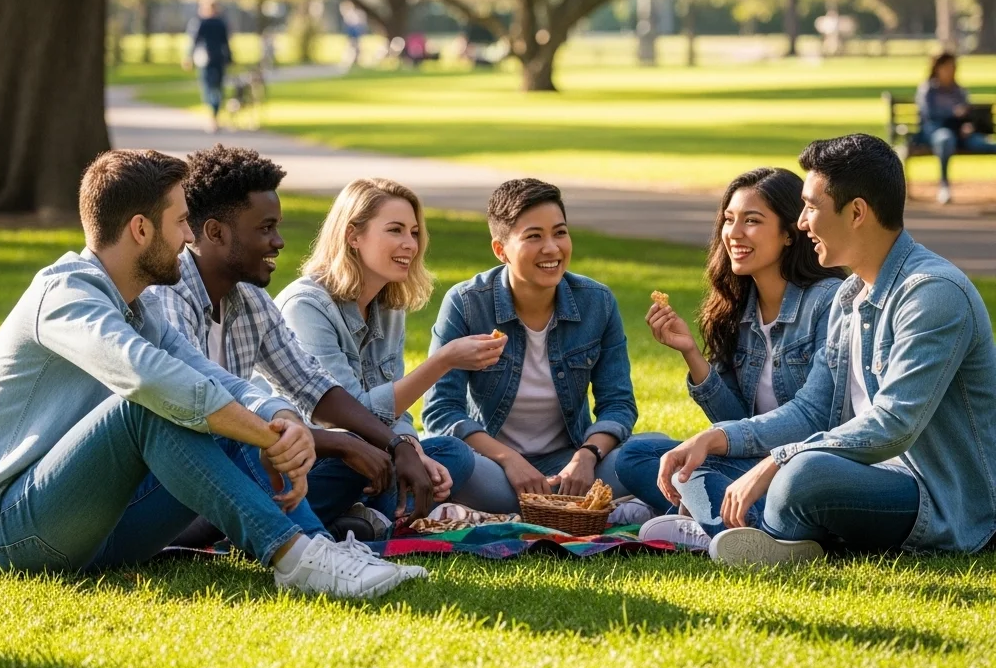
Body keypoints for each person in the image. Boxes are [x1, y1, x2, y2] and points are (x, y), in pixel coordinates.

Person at [0, 149, 425, 598]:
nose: (189, 236)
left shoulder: (141, 308)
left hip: (98, 531)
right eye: (181, 222)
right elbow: (148, 379)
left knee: (217, 408)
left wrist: (279, 418)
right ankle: (294, 557)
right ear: (141, 229)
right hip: (7, 535)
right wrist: (266, 437)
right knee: (150, 408)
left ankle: (319, 550)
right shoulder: (65, 295)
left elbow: (212, 379)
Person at [630, 134, 996, 566]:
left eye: (811, 207)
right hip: (858, 473)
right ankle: (765, 531)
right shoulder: (851, 297)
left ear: (856, 212)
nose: (802, 223)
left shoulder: (932, 294)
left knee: (802, 476)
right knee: (650, 455)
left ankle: (742, 527)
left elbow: (894, 424)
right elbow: (811, 412)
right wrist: (717, 438)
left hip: (933, 497)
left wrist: (778, 462)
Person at [147, 151, 463, 541]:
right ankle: (313, 538)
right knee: (316, 453)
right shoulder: (168, 298)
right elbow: (206, 416)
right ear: (215, 233)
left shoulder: (250, 300)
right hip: (177, 484)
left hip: (249, 466)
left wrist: (397, 443)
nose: (278, 241)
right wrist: (341, 444)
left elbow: (313, 386)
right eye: (265, 229)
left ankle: (345, 522)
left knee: (432, 453)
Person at [616, 168, 845, 546]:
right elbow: (736, 423)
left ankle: (717, 525)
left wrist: (710, 442)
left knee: (690, 467)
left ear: (790, 233)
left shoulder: (828, 301)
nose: (734, 234)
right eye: (729, 220)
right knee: (640, 453)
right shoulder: (738, 310)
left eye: (752, 221)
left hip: (804, 466)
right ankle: (725, 525)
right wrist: (691, 353)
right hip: (750, 464)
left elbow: (816, 418)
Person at [274, 177, 486, 535]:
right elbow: (348, 413)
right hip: (307, 460)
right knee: (356, 454)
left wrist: (412, 447)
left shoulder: (389, 306)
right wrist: (442, 361)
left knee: (453, 454)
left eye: (415, 232)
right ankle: (356, 518)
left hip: (372, 456)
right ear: (353, 235)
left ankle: (358, 520)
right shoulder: (306, 307)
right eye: (395, 230)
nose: (410, 244)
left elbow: (393, 409)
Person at [422, 178, 638, 514]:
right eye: (534, 236)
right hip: (492, 466)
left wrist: (587, 456)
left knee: (652, 450)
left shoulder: (598, 302)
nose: (551, 248)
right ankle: (585, 509)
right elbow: (441, 410)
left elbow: (618, 404)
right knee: (442, 455)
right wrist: (510, 460)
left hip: (572, 466)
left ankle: (551, 505)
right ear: (500, 249)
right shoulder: (467, 303)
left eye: (560, 233)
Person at [916, 51, 996, 204]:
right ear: (937, 68)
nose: (951, 70)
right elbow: (929, 116)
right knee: (945, 140)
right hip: (937, 132)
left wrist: (969, 126)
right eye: (947, 67)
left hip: (961, 134)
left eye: (953, 67)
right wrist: (952, 114)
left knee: (986, 144)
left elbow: (968, 115)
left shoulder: (959, 90)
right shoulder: (928, 90)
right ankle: (944, 184)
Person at [185, 0, 233, 132]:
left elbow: (193, 41)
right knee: (217, 88)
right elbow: (226, 43)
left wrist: (188, 57)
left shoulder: (200, 22)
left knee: (209, 88)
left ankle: (212, 116)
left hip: (206, 60)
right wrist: (230, 58)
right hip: (219, 59)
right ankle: (215, 116)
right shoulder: (221, 23)